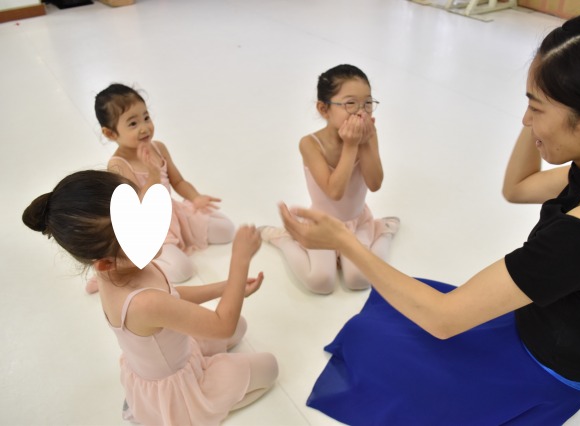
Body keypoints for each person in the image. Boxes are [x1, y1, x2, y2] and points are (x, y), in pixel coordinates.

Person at [280, 13, 580, 425]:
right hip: (537, 321)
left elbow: (444, 319)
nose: (525, 120)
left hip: (537, 371)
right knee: (383, 329)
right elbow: (519, 187)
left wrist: (344, 242)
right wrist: (545, 100)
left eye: (535, 108)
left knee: (383, 346)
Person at [23, 170, 278, 425]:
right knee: (270, 367)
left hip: (175, 351)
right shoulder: (143, 302)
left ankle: (169, 399)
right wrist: (240, 261)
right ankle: (188, 414)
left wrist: (226, 288)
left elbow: (172, 297)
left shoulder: (118, 268)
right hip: (177, 386)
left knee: (241, 325)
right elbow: (222, 326)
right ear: (105, 263)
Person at [261, 64, 399, 294]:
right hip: (322, 224)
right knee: (320, 282)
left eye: (367, 103)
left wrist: (365, 143)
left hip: (357, 222)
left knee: (360, 280)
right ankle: (283, 240)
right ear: (324, 109)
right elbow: (334, 191)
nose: (361, 112)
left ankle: (383, 231)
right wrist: (351, 146)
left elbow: (375, 184)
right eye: (350, 103)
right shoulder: (310, 144)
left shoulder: (368, 134)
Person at [89, 83, 235, 291]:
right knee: (183, 270)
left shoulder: (158, 147)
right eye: (133, 123)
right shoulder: (118, 165)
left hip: (174, 215)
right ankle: (127, 265)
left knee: (227, 230)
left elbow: (178, 181)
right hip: (150, 227)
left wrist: (195, 198)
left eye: (146, 117)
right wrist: (153, 174)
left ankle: (180, 239)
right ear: (111, 134)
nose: (144, 127)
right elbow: (139, 208)